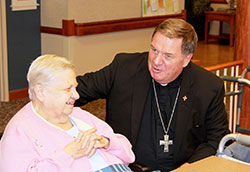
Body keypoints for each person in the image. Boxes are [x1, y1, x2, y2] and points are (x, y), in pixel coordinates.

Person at [75, 19, 229, 171]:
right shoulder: (123, 68)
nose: (156, 61)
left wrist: (190, 167)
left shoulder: (208, 86)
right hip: (129, 167)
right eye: (154, 50)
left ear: (186, 59)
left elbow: (216, 138)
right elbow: (78, 89)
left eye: (168, 56)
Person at [0, 55, 135, 172]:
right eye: (67, 89)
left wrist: (108, 143)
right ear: (41, 92)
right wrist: (68, 155)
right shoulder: (20, 131)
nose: (76, 95)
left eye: (75, 88)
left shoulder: (79, 115)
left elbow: (129, 154)